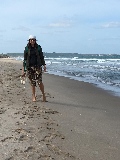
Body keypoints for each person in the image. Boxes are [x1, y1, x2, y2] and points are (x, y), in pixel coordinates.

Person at [22, 35, 46, 102]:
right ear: (29, 41)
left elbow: (41, 57)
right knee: (32, 83)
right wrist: (24, 70)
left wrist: (44, 65)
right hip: (30, 67)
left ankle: (43, 94)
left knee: (39, 82)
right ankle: (33, 96)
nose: (32, 41)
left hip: (37, 67)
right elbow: (25, 59)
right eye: (31, 39)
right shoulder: (27, 48)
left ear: (35, 40)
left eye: (33, 39)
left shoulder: (38, 47)